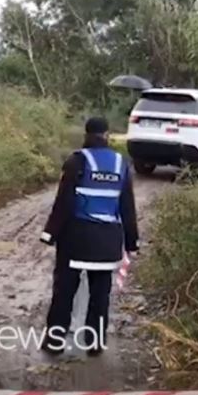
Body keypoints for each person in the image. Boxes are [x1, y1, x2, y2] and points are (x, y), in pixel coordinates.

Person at [39, 116, 139, 356]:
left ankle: (55, 342)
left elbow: (63, 202)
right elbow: (127, 207)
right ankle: (95, 343)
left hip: (76, 240)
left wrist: (49, 233)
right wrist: (132, 241)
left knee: (64, 291)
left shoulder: (77, 162)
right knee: (100, 294)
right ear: (107, 136)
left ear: (87, 135)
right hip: (108, 242)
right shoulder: (121, 163)